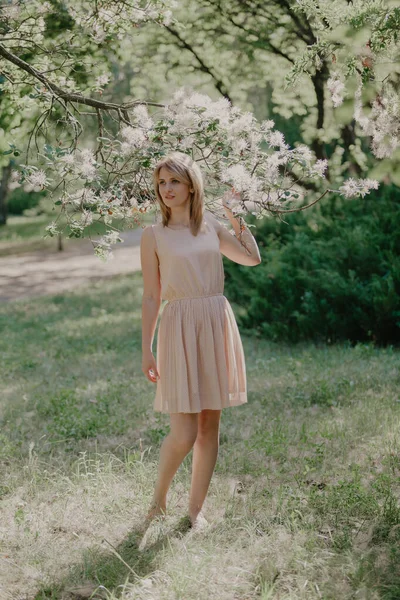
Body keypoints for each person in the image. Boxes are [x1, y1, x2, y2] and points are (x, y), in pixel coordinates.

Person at [140, 151, 261, 530]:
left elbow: (251, 259)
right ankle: (158, 500)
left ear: (192, 185)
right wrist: (147, 345)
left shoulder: (210, 227)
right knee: (184, 432)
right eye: (161, 183)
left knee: (210, 427)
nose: (167, 189)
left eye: (174, 181)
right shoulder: (153, 235)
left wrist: (235, 216)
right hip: (178, 326)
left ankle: (195, 510)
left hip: (214, 323)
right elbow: (150, 295)